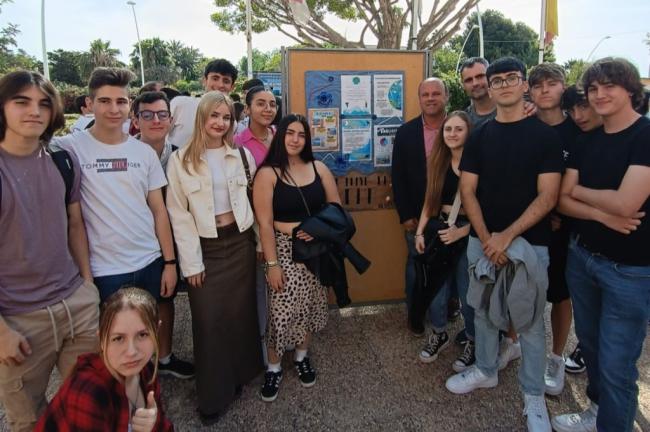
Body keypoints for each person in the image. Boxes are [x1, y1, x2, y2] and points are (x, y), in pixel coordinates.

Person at [446, 57, 563, 432]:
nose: (504, 85)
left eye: (512, 78)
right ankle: (485, 369)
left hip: (531, 244)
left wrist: (505, 236)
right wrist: (485, 239)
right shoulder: (479, 135)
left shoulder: (546, 137)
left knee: (528, 321)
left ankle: (533, 396)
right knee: (480, 309)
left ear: (524, 84)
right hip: (484, 241)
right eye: (497, 80)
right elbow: (468, 190)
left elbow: (548, 196)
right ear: (490, 89)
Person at [0, 71, 100, 432]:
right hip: (19, 318)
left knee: (90, 405)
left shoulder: (61, 160)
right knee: (28, 419)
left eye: (43, 103)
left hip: (76, 303)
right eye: (21, 102)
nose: (34, 112)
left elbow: (75, 224)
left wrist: (87, 285)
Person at [554, 57, 650, 432]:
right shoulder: (586, 139)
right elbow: (562, 200)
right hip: (582, 257)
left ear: (630, 90)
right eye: (593, 88)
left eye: (609, 86)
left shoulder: (644, 136)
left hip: (629, 271)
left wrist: (578, 192)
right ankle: (597, 414)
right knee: (592, 349)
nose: (599, 94)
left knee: (616, 365)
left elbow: (628, 203)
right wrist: (603, 214)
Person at [166, 91, 262, 424]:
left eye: (226, 117)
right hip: (204, 249)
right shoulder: (180, 161)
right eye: (214, 116)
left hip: (240, 245)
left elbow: (253, 203)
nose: (220, 123)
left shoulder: (242, 155)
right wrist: (190, 264)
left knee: (239, 316)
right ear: (202, 117)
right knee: (208, 323)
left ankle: (236, 378)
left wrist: (262, 245)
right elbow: (178, 215)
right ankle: (212, 395)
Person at [52, 67, 177, 304]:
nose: (113, 109)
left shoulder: (144, 152)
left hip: (150, 261)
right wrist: (86, 278)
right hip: (103, 271)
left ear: (129, 106)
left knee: (154, 331)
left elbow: (158, 211)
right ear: (90, 103)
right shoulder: (68, 147)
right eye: (104, 101)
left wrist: (169, 262)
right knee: (110, 338)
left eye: (120, 101)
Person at [253, 113, 341, 402]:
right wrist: (272, 264)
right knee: (280, 313)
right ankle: (274, 367)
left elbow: (336, 210)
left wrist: (312, 228)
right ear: (281, 136)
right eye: (290, 133)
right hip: (283, 254)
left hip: (317, 253)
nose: (295, 139)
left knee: (311, 307)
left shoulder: (319, 168)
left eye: (301, 135)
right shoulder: (268, 173)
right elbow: (265, 222)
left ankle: (302, 357)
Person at [35, 287, 173, 431]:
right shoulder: (89, 393)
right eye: (118, 338)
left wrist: (153, 424)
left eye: (143, 335)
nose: (132, 352)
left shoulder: (146, 370)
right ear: (102, 340)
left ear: (157, 331)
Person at [132, 91, 195, 380]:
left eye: (162, 114)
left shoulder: (182, 155)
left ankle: (166, 357)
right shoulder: (126, 154)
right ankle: (135, 363)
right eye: (147, 115)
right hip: (136, 242)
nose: (156, 120)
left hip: (172, 241)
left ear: (171, 119)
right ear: (136, 120)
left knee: (165, 300)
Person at [528, 63, 581, 397]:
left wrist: (558, 210)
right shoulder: (523, 125)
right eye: (538, 85)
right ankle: (513, 343)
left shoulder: (580, 130)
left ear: (563, 87)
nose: (545, 89)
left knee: (560, 295)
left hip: (566, 229)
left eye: (552, 83)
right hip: (529, 224)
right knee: (522, 291)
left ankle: (557, 357)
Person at [413, 111, 476, 372]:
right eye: (448, 129)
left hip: (468, 232)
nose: (452, 134)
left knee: (468, 292)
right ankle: (439, 333)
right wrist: (419, 232)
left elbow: (491, 209)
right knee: (437, 288)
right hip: (441, 228)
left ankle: (473, 340)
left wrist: (462, 233)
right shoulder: (438, 162)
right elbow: (430, 201)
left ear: (468, 132)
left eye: (458, 129)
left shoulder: (478, 164)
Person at [391, 77, 449, 336]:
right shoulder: (406, 132)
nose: (431, 98)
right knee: (416, 266)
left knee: (445, 270)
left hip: (451, 216)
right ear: (419, 99)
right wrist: (405, 215)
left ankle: (442, 319)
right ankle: (415, 315)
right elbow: (398, 177)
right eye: (425, 94)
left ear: (445, 97)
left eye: (436, 93)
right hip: (415, 216)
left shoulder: (458, 127)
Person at [234, 85, 278, 364]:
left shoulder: (281, 136)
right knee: (260, 287)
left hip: (283, 223)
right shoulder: (237, 143)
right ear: (247, 109)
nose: (268, 109)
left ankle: (280, 334)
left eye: (272, 104)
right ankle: (261, 342)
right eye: (260, 104)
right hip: (254, 226)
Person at [168, 59, 238, 149]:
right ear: (204, 80)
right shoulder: (181, 104)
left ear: (232, 87)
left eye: (226, 81)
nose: (220, 84)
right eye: (215, 78)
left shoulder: (230, 122)